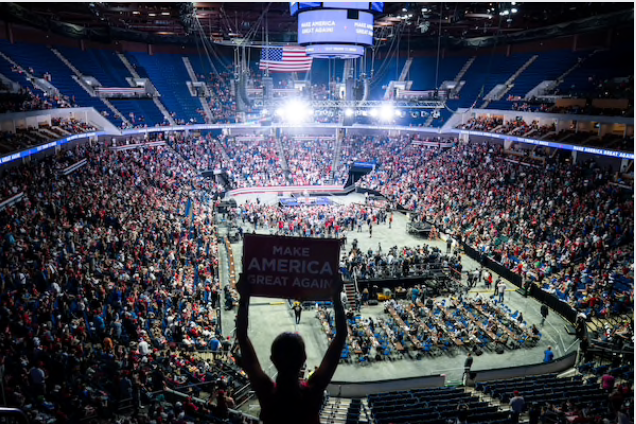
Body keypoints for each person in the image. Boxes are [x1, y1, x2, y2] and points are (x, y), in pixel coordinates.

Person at [237, 275, 347, 424]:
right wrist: (336, 298)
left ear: (273, 360)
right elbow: (341, 337)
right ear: (304, 359)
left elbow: (242, 338)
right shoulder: (312, 392)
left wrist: (244, 298)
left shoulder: (267, 393)